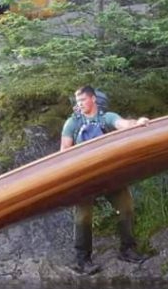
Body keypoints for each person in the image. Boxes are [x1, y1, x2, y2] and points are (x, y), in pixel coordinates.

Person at [60, 86, 150, 273]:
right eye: (77, 102)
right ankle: (82, 260)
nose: (80, 105)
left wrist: (138, 122)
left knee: (126, 206)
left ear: (92, 99)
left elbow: (123, 124)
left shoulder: (106, 117)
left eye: (83, 100)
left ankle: (127, 250)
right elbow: (64, 151)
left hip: (109, 174)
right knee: (83, 215)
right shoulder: (72, 123)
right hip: (84, 177)